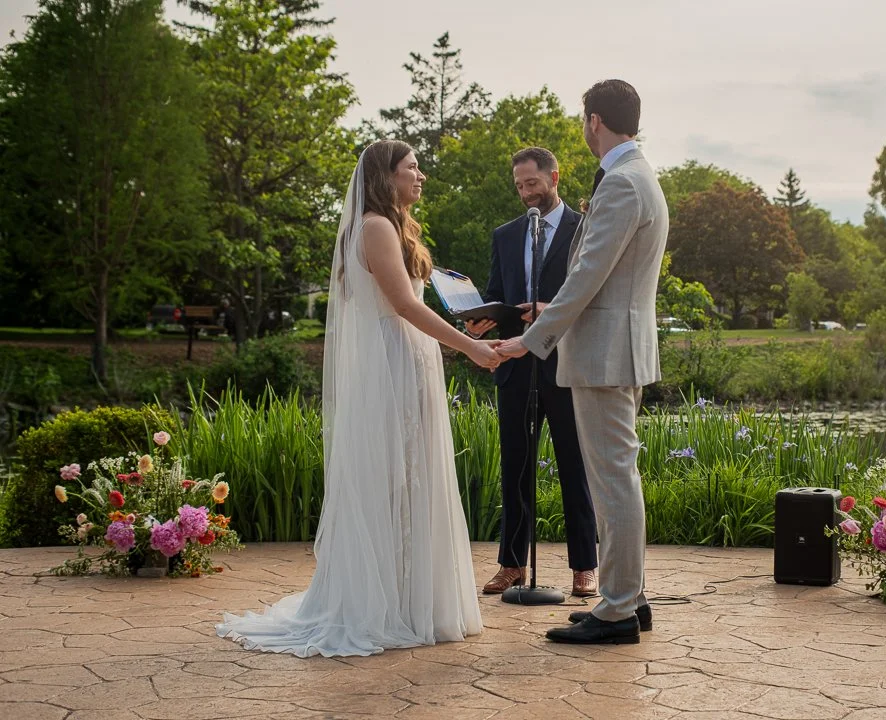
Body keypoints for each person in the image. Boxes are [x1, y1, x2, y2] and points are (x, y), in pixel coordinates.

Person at [217, 139, 497, 657]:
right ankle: (388, 604)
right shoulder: (374, 226)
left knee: (412, 476)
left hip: (408, 360)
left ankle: (412, 600)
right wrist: (472, 349)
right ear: (385, 176)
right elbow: (404, 308)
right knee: (394, 476)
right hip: (389, 364)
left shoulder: (392, 228)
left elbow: (412, 306)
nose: (421, 176)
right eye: (412, 168)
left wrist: (471, 331)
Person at [497, 80, 668, 644]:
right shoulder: (638, 176)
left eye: (582, 120)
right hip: (616, 347)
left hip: (603, 352)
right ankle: (630, 596)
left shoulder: (622, 183)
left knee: (614, 480)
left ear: (594, 121)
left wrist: (530, 339)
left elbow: (586, 276)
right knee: (619, 476)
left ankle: (617, 610)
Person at [465, 147, 598, 598]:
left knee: (574, 466)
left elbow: (593, 296)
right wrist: (485, 318)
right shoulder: (505, 235)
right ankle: (512, 565)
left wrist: (551, 311)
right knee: (515, 466)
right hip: (517, 368)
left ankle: (585, 566)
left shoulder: (586, 229)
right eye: (519, 186)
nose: (526, 193)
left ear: (554, 177)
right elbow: (500, 293)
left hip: (566, 364)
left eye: (532, 184)